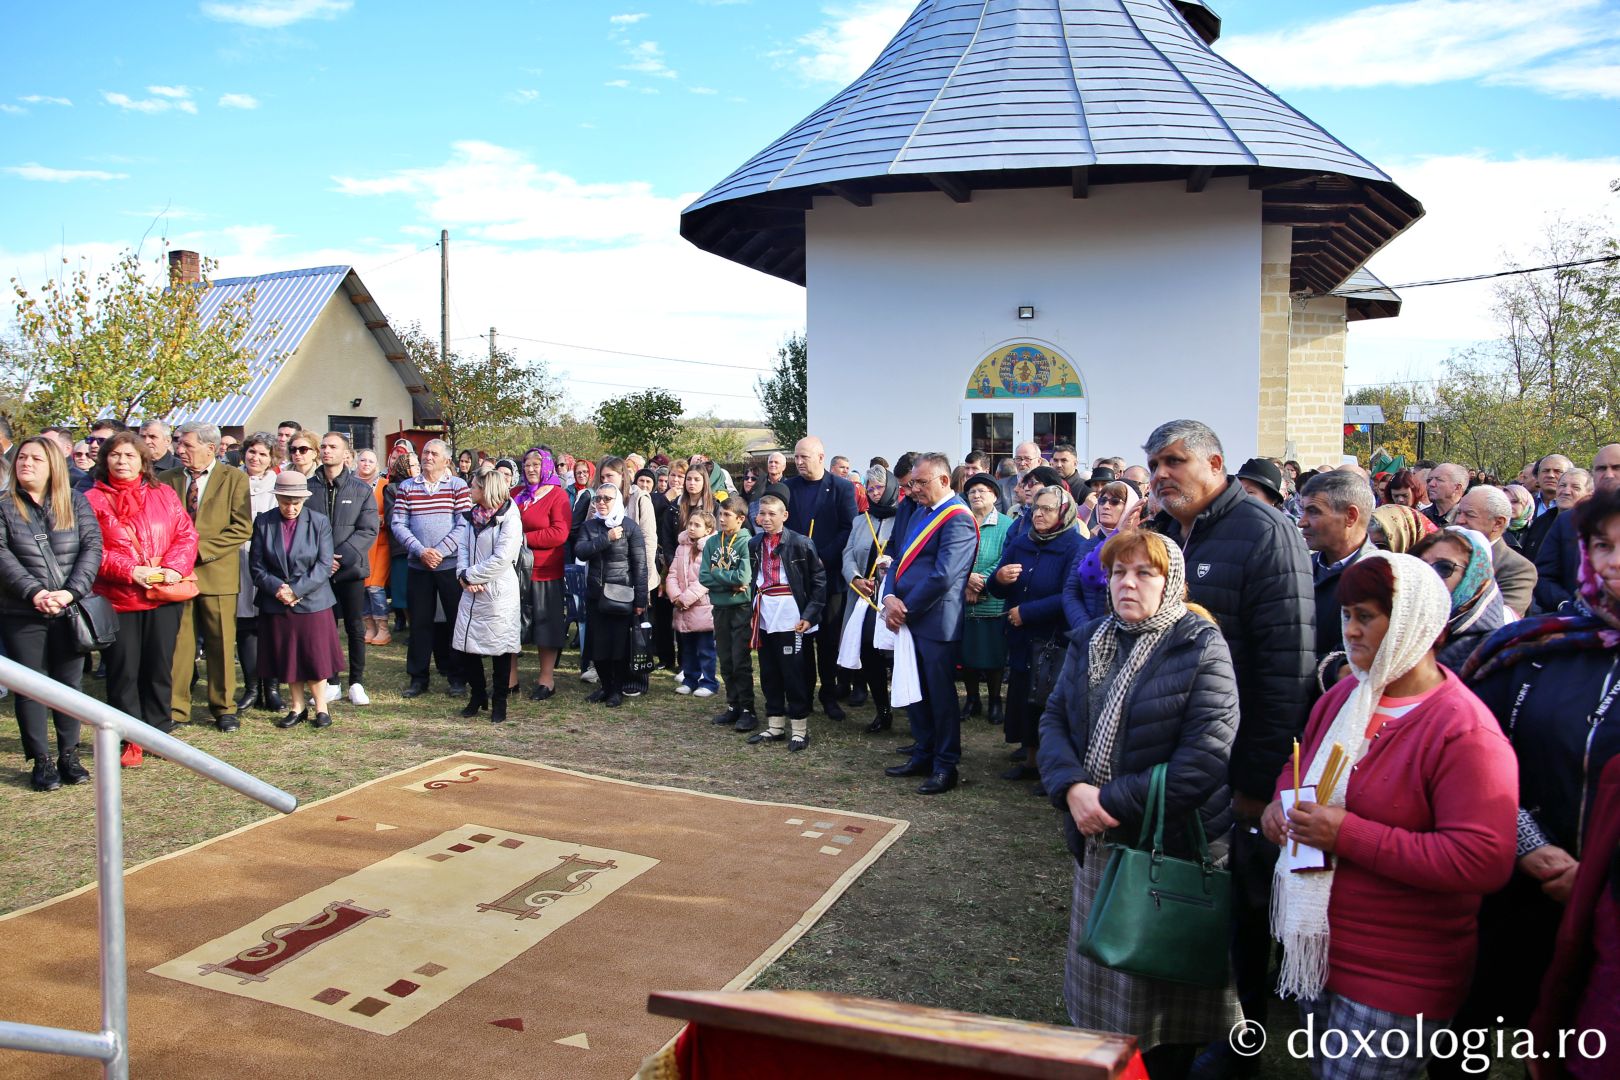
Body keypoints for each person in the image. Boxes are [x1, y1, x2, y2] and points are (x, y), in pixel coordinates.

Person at [1261, 552, 1517, 1079]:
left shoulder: (1463, 730)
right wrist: (1280, 805)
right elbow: (1303, 767)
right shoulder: (1344, 697)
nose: (1350, 631)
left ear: (1411, 620)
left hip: (1396, 971)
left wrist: (1346, 833)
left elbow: (1482, 860)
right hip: (1321, 946)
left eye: (1367, 617)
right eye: (1346, 615)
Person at [1142, 419, 1314, 1065]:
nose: (1161, 474)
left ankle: (1232, 1050)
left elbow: (1286, 668)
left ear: (1215, 463)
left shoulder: (1265, 534)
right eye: (1154, 464)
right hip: (1169, 765)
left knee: (1236, 924)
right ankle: (1173, 1037)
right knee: (1177, 912)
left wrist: (1255, 783)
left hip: (1234, 772)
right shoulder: (1161, 535)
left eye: (1173, 461)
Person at [1039, 529, 1240, 1077]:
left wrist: (1106, 801)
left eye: (1143, 573)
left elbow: (1204, 759)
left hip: (1163, 849)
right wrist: (1072, 789)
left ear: (1170, 580)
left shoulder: (1199, 643)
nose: (1128, 584)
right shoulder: (1091, 637)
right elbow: (1055, 720)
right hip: (1099, 840)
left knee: (1159, 1004)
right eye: (1119, 572)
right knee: (1103, 992)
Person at [1457, 487, 1620, 1040]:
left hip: (1613, 905)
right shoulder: (1535, 647)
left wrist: (1596, 875)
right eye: (1602, 544)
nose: (1613, 561)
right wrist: (1532, 844)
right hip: (1518, 886)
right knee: (1479, 1027)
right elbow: (1472, 754)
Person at [85, 431, 198, 764]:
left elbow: (186, 534)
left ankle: (159, 731)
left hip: (163, 594)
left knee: (160, 665)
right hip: (118, 597)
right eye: (116, 455)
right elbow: (90, 550)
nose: (123, 461)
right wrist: (130, 570)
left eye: (130, 456)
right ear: (105, 459)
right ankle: (128, 736)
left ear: (143, 461)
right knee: (124, 670)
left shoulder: (163, 493)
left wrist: (175, 569)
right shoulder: (90, 499)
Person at [0, 437, 103, 791]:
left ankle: (69, 755)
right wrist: (36, 592)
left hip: (68, 609)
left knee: (69, 684)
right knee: (30, 688)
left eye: (35, 459)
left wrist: (69, 592)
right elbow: (2, 556)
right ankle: (41, 761)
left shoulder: (75, 502)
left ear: (53, 466)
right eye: (21, 458)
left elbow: (92, 548)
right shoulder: (3, 505)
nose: (25, 463)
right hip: (21, 611)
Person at [882, 452, 979, 795]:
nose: (913, 489)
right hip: (908, 616)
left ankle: (945, 764)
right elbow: (898, 559)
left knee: (939, 696)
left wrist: (903, 607)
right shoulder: (921, 512)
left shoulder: (958, 519)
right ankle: (922, 752)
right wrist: (889, 597)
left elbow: (944, 577)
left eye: (921, 483)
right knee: (914, 689)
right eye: (912, 483)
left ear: (942, 480)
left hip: (937, 622)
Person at [157, 421, 253, 732]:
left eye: (187, 445)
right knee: (179, 645)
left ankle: (224, 708)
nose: (179, 450)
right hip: (175, 575)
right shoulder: (165, 480)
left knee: (221, 643)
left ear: (210, 448)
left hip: (217, 573)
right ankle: (176, 708)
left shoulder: (234, 479)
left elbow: (241, 527)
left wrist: (197, 551)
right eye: (178, 444)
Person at [990, 484, 1083, 792]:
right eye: (1035, 509)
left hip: (1052, 639)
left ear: (1064, 513)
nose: (1039, 515)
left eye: (1047, 509)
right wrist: (999, 579)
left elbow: (1069, 594)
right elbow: (996, 583)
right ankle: (1031, 761)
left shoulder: (1075, 546)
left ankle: (1052, 770)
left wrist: (1027, 613)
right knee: (1024, 701)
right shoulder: (1021, 542)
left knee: (1048, 705)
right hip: (1020, 639)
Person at [250, 470, 344, 729]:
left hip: (313, 601)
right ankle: (297, 707)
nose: (290, 508)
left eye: (296, 503)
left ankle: (321, 708)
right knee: (289, 656)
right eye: (285, 502)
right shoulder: (263, 523)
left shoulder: (319, 522)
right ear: (277, 498)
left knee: (314, 656)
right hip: (277, 602)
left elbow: (324, 565)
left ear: (304, 500)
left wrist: (296, 590)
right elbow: (256, 567)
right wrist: (279, 589)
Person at [784, 435, 858, 720]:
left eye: (804, 457)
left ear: (820, 457)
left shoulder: (840, 487)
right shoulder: (788, 488)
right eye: (796, 457)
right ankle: (802, 695)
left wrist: (822, 556)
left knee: (827, 641)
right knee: (800, 638)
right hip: (797, 577)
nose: (799, 462)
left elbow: (848, 527)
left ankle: (829, 694)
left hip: (829, 575)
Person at [745, 490, 826, 751]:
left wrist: (809, 615)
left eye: (772, 514)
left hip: (791, 612)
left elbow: (818, 581)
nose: (766, 518)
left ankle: (800, 729)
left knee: (793, 671)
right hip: (765, 611)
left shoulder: (801, 543)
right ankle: (775, 725)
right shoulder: (754, 543)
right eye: (762, 513)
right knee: (769, 670)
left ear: (785, 515)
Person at [392, 438, 471, 698]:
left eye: (433, 453)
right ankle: (418, 678)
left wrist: (440, 552)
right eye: (425, 452)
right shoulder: (406, 487)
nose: (427, 456)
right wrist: (421, 551)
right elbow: (398, 524)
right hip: (419, 565)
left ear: (446, 460)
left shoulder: (458, 486)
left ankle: (458, 677)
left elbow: (464, 524)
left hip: (449, 566)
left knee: (454, 621)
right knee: (420, 623)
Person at [307, 431, 378, 707]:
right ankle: (332, 681)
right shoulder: (309, 486)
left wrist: (340, 558)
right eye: (323, 446)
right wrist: (323, 560)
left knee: (354, 626)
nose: (326, 451)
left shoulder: (360, 489)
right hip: (319, 571)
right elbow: (303, 528)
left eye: (332, 446)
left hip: (350, 570)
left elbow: (368, 530)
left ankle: (356, 681)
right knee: (326, 627)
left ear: (345, 454)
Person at [450, 466, 522, 722]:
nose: (470, 490)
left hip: (498, 592)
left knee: (500, 648)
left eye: (473, 486)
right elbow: (463, 548)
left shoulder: (510, 518)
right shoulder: (471, 516)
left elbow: (502, 558)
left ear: (485, 489)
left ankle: (499, 701)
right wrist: (463, 576)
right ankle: (477, 694)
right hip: (471, 590)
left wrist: (472, 575)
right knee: (468, 647)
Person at [574, 482, 648, 708]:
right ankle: (605, 687)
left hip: (621, 596)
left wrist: (641, 600)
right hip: (597, 595)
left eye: (607, 498)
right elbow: (581, 551)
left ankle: (616, 690)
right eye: (598, 498)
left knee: (618, 647)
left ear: (617, 501)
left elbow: (640, 566)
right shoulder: (590, 526)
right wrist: (607, 538)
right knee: (598, 647)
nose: (601, 502)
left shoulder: (630, 527)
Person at [842, 464, 904, 732]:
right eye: (871, 488)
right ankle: (883, 710)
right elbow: (847, 554)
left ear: (891, 488)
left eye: (880, 488)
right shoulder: (860, 520)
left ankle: (911, 708)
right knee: (868, 649)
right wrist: (855, 579)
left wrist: (890, 570)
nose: (875, 493)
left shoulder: (904, 519)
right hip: (863, 597)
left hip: (892, 595)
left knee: (896, 653)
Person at [1297, 471, 1377, 666]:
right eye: (1303, 510)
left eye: (1314, 511)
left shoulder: (1379, 578)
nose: (1302, 522)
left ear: (1350, 516)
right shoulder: (1300, 567)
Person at [233, 432, 283, 713]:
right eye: (252, 452)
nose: (256, 458)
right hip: (237, 559)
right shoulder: (231, 479)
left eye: (263, 454)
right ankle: (252, 687)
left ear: (271, 458)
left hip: (269, 560)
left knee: (270, 626)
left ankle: (272, 688)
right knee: (246, 626)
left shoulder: (277, 483)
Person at [516, 447, 571, 701]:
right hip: (516, 571)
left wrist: (522, 538)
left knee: (546, 626)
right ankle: (510, 679)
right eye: (527, 464)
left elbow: (559, 533)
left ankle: (546, 680)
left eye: (536, 464)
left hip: (545, 571)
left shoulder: (558, 496)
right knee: (512, 624)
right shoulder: (516, 495)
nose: (531, 469)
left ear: (546, 466)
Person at [1412, 526, 1506, 672]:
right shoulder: (1406, 625)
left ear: (1473, 578)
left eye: (1444, 567)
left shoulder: (1494, 648)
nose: (1429, 574)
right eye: (1421, 566)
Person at [957, 473, 1009, 728]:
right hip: (962, 597)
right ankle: (972, 699)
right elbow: (953, 555)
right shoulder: (961, 522)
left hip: (993, 598)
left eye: (983, 491)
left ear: (995, 496)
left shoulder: (1007, 525)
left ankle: (996, 700)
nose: (976, 495)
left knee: (994, 653)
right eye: (972, 491)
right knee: (967, 652)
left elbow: (1006, 558)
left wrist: (982, 582)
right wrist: (967, 579)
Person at [699, 500, 756, 731]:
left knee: (740, 660)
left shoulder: (747, 541)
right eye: (720, 514)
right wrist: (727, 582)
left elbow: (744, 578)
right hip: (720, 607)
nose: (721, 519)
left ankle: (747, 710)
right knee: (726, 659)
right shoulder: (713, 542)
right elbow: (704, 576)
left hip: (741, 609)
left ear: (740, 518)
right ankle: (732, 706)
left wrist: (718, 575)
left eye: (726, 515)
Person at [1063, 479, 1141, 629]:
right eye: (1102, 500)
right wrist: (1085, 627)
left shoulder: (1140, 546)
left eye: (1115, 502)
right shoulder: (1087, 545)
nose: (1105, 506)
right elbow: (1071, 592)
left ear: (1130, 507)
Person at [1454, 484, 1537, 618]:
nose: (1459, 521)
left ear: (1498, 523)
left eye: (1469, 515)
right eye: (1458, 513)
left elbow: (1499, 620)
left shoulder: (1518, 569)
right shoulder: (1442, 551)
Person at [1534, 462, 1604, 613]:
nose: (1566, 491)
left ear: (1590, 494)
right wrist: (1565, 604)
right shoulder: (1542, 523)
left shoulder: (1601, 525)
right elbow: (1543, 575)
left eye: (1575, 487)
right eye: (1562, 485)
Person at [666, 509, 718, 697]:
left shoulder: (712, 548)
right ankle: (690, 679)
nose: (692, 528)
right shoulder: (682, 547)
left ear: (708, 529)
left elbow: (707, 578)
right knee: (687, 648)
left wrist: (686, 598)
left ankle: (709, 682)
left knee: (705, 649)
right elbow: (672, 573)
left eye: (697, 525)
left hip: (702, 607)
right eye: (690, 524)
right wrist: (676, 597)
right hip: (683, 607)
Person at [358, 449, 393, 647]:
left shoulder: (384, 485)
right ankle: (369, 625)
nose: (366, 464)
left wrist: (381, 519)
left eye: (370, 460)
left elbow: (391, 513)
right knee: (362, 586)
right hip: (359, 545)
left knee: (375, 586)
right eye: (362, 460)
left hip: (380, 543)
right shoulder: (351, 484)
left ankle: (383, 628)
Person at [382, 451, 417, 637]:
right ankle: (412, 630)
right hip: (402, 548)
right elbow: (391, 519)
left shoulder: (423, 487)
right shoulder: (392, 489)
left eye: (418, 464)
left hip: (423, 549)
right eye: (413, 465)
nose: (418, 468)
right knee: (403, 593)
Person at [997, 441, 1044, 508]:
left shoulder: (1047, 484)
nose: (1022, 463)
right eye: (1018, 459)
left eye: (1027, 459)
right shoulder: (1001, 486)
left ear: (1039, 461)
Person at [1421, 463, 1467, 527]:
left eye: (1439, 480)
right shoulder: (1421, 517)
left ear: (1457, 488)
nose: (1431, 484)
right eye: (1429, 480)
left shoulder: (1466, 520)